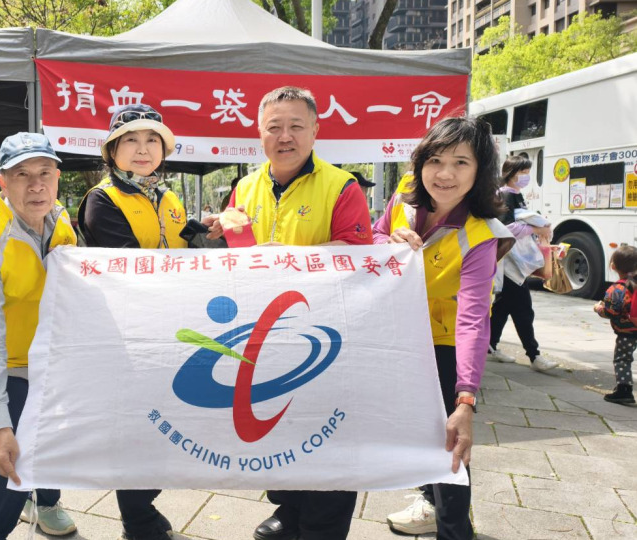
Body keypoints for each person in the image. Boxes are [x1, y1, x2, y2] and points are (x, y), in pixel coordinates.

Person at [207, 86, 372, 540]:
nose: (285, 136)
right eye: (274, 127)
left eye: (296, 126)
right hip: (265, 333)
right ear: (259, 133)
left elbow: (359, 254)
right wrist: (224, 232)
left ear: (315, 130)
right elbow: (241, 253)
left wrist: (289, 257)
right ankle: (290, 508)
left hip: (326, 332)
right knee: (278, 422)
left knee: (326, 428)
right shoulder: (244, 187)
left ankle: (322, 525)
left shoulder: (342, 186)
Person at [376, 117, 513, 539]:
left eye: (461, 162)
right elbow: (375, 236)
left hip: (446, 344)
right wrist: (386, 242)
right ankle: (429, 502)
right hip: (400, 335)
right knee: (417, 431)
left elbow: (473, 317)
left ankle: (454, 529)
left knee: (450, 440)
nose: (445, 174)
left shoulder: (481, 234)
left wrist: (465, 399)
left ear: (480, 171)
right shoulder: (403, 194)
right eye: (435, 160)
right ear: (420, 164)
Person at [0, 132, 79, 539]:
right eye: (22, 175)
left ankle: (48, 502)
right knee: (13, 456)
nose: (36, 185)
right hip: (13, 366)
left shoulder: (61, 221)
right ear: (2, 182)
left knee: (53, 441)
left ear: (57, 178)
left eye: (45, 173)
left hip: (55, 359)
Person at [78, 103, 185, 540]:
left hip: (172, 329)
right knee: (138, 427)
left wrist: (209, 234)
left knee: (167, 422)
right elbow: (129, 264)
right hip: (129, 335)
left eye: (152, 140)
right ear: (112, 151)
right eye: (132, 140)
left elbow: (184, 247)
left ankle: (144, 507)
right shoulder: (101, 200)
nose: (143, 149)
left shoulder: (168, 198)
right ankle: (137, 519)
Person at [487, 155, 558, 371]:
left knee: (502, 308)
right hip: (510, 265)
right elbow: (507, 229)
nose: (526, 176)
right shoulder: (506, 195)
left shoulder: (514, 195)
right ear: (511, 173)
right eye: (523, 172)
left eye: (527, 172)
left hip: (512, 263)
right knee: (523, 311)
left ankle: (489, 346)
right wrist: (537, 228)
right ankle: (534, 355)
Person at [594, 245, 637, 404]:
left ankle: (624, 390)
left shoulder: (617, 289)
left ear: (613, 266)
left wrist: (599, 309)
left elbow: (610, 312)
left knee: (622, 360)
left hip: (627, 333)